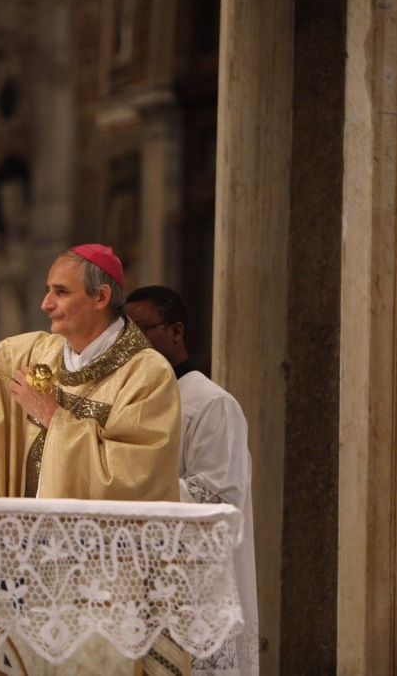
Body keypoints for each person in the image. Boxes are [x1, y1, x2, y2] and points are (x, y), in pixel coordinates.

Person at [0, 244, 181, 501]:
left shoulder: (147, 375)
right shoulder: (35, 353)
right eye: (47, 290)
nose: (46, 304)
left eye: (61, 292)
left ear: (101, 297)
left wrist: (52, 416)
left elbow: (133, 478)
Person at [125, 286, 259, 676]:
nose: (130, 345)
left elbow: (217, 497)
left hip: (197, 584)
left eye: (140, 330)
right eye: (124, 334)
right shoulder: (136, 404)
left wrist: (129, 486)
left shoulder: (211, 403)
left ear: (176, 331)